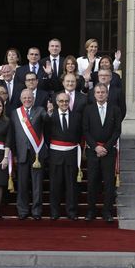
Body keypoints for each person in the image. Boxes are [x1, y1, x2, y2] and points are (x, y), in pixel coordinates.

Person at [8, 89, 53, 220]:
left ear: (33, 99)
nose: (27, 100)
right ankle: (22, 210)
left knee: (37, 184)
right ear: (21, 99)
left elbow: (47, 120)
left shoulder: (40, 110)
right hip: (21, 153)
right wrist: (14, 153)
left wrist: (50, 112)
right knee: (22, 184)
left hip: (37, 154)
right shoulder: (15, 113)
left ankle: (37, 211)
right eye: (25, 98)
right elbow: (13, 134)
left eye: (29, 97)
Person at [83, 83, 121, 223]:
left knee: (109, 183)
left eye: (103, 92)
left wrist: (106, 147)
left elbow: (117, 130)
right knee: (92, 182)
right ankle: (91, 211)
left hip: (109, 151)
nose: (100, 94)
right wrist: (96, 147)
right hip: (93, 152)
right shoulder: (88, 110)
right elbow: (85, 130)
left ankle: (107, 212)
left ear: (107, 94)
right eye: (98, 92)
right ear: (94, 94)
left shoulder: (115, 109)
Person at [47, 92, 82, 220]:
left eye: (66, 101)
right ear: (57, 102)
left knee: (71, 184)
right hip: (55, 154)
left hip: (71, 154)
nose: (64, 103)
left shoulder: (77, 116)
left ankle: (71, 211)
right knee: (55, 184)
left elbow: (79, 134)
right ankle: (55, 211)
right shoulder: (51, 116)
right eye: (61, 101)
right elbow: (45, 133)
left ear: (69, 102)